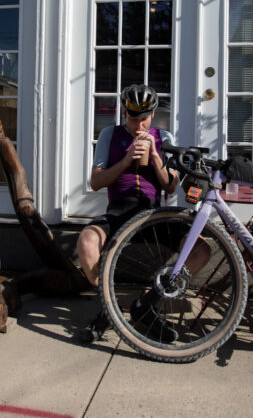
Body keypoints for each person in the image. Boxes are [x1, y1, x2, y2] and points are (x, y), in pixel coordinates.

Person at [75, 84, 182, 343]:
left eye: (144, 119)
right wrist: (124, 161)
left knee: (201, 250)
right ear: (124, 112)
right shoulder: (109, 135)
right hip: (119, 209)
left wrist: (156, 157)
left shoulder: (164, 137)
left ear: (153, 114)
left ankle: (146, 305)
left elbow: (171, 185)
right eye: (133, 119)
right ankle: (110, 308)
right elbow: (95, 182)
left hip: (152, 212)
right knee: (87, 244)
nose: (139, 126)